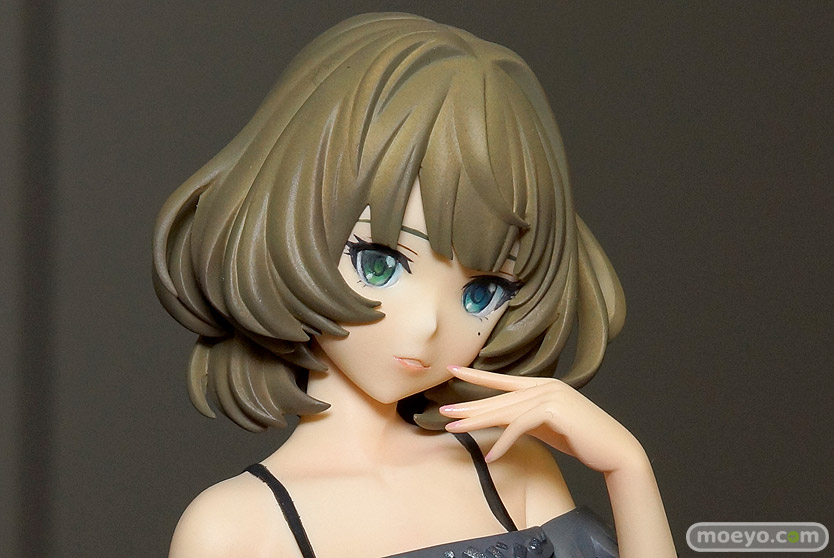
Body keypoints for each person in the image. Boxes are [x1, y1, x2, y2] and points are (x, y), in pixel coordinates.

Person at [152, 13, 675, 558]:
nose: (428, 326)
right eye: (379, 264)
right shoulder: (235, 528)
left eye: (481, 294)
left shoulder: (510, 469)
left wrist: (628, 469)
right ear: (288, 226)